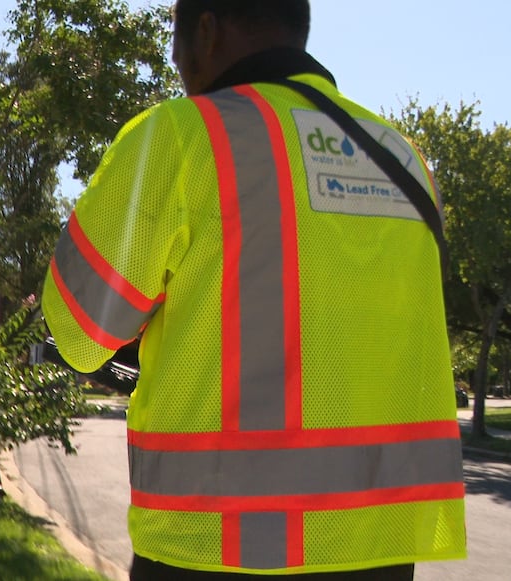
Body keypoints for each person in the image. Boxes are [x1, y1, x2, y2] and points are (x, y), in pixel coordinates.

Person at [40, 1, 466, 579]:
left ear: (207, 31)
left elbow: (79, 333)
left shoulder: (180, 136)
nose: (177, 65)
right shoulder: (406, 162)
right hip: (379, 551)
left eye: (176, 44)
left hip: (212, 549)